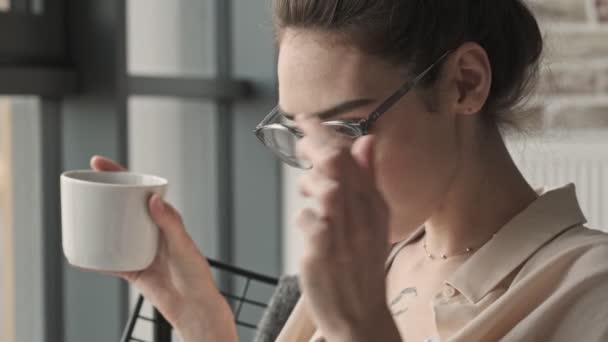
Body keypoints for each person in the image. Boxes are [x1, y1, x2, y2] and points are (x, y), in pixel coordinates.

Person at [91, 0, 608, 341]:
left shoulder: (587, 291)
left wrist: (363, 326)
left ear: (464, 84)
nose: (318, 167)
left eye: (344, 126)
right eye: (300, 132)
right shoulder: (372, 264)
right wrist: (203, 319)